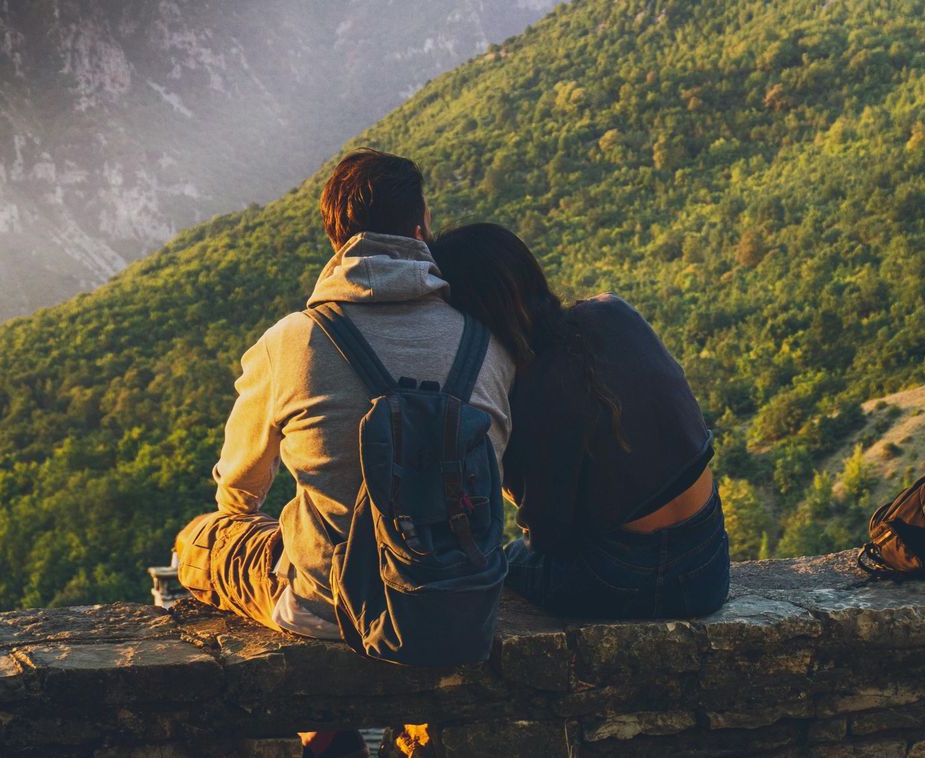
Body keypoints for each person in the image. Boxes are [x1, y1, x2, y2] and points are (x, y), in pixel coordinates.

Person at [172, 150, 515, 757]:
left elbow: (239, 488)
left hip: (325, 606)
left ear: (336, 238)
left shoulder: (291, 340)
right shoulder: (486, 342)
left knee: (199, 539)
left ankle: (324, 736)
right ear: (421, 228)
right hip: (456, 598)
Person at [429, 223, 729, 619]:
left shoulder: (531, 390)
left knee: (503, 562)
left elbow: (550, 540)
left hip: (628, 577)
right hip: (711, 562)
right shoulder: (612, 311)